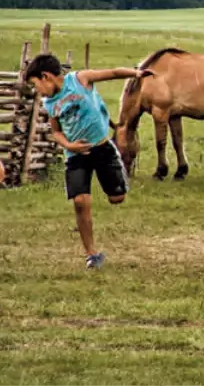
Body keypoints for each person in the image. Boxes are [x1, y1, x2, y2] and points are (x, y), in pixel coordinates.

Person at [23, 53, 153, 269]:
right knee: (80, 203)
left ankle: (117, 181)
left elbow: (111, 73)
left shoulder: (79, 80)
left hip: (102, 148)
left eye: (36, 85)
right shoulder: (49, 103)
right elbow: (56, 132)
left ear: (46, 76)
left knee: (117, 198)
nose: (38, 91)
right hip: (76, 156)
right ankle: (92, 254)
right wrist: (69, 146)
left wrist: (136, 73)